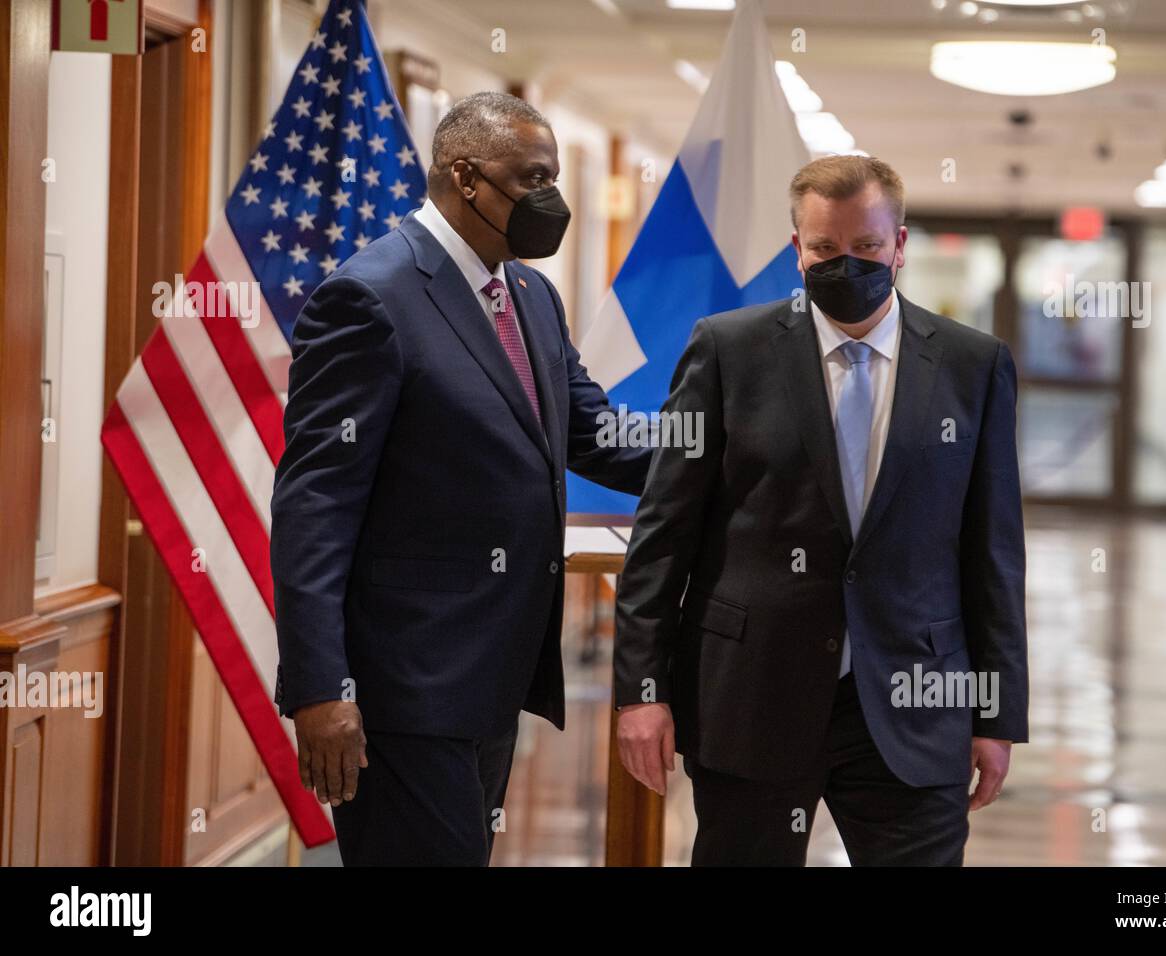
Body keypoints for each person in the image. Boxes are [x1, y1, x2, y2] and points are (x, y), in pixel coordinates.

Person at [614, 154, 1028, 866]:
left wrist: (997, 713)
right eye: (825, 249)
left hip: (915, 698)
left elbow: (993, 549)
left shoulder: (972, 364)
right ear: (796, 249)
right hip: (752, 695)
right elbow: (662, 534)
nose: (848, 264)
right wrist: (641, 691)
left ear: (899, 246)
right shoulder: (728, 350)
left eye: (867, 248)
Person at [270, 91, 650, 866]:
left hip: (490, 678)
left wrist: (734, 445)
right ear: (466, 177)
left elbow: (594, 434)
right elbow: (315, 506)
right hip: (400, 688)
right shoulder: (369, 297)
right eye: (533, 176)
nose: (551, 198)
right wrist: (320, 686)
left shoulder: (529, 295)